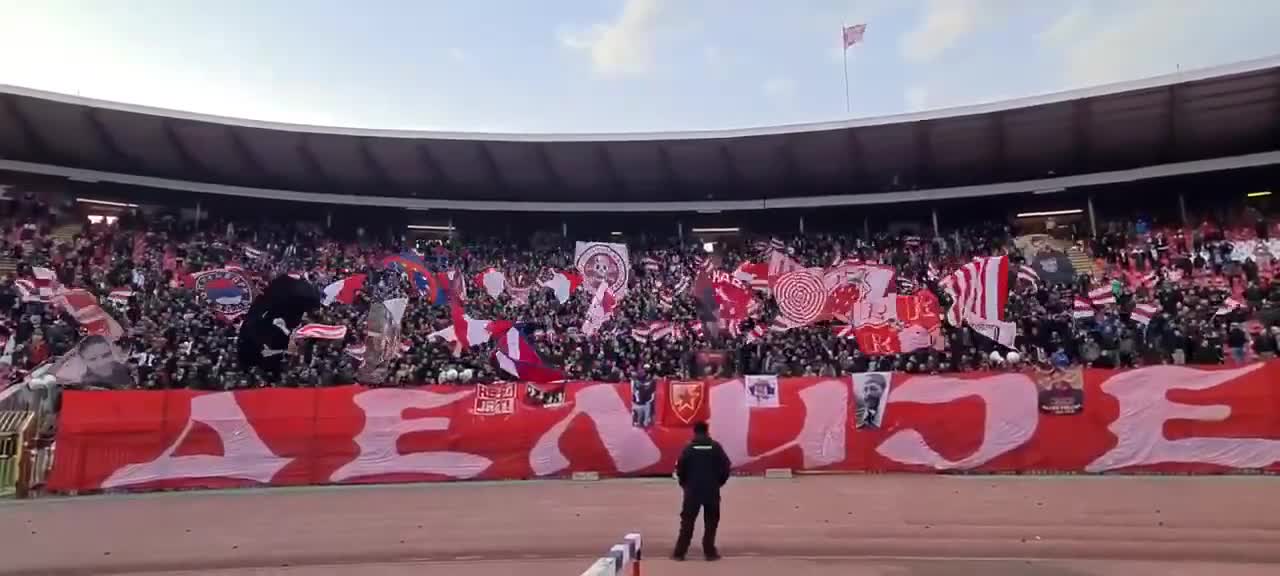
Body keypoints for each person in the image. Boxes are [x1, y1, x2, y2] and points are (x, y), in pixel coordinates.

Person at [672, 420, 731, 562]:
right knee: (711, 522)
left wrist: (685, 484)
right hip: (712, 491)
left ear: (695, 432)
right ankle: (709, 551)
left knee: (687, 522)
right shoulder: (716, 448)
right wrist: (719, 483)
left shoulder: (689, 449)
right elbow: (726, 467)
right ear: (707, 431)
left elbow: (680, 469)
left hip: (692, 491)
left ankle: (680, 552)